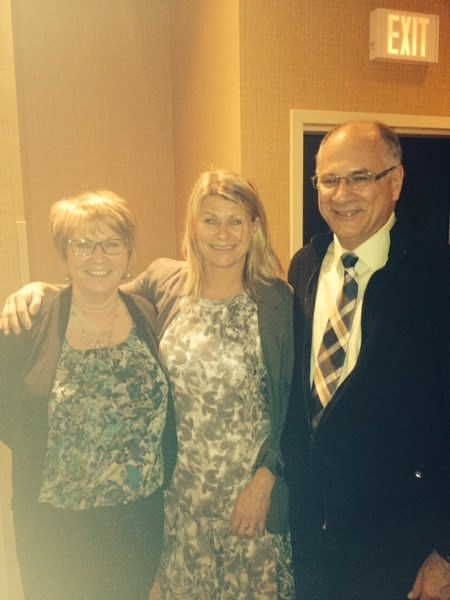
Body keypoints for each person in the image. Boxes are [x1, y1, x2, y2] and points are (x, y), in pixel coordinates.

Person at [0, 170, 295, 599]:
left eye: (236, 220)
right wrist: (38, 289)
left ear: (254, 228)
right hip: (176, 506)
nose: (223, 233)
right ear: (192, 227)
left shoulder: (277, 302)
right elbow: (96, 287)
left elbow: (293, 404)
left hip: (244, 505)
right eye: (209, 219)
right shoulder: (166, 284)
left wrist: (267, 477)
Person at [282, 120, 450, 600]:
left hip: (401, 547)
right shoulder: (304, 266)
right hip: (311, 539)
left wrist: (446, 553)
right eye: (329, 180)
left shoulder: (437, 277)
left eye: (360, 177)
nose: (341, 194)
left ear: (394, 182)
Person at [0, 191, 176, 600]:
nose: (99, 257)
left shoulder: (146, 312)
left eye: (112, 243)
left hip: (135, 521)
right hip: (55, 526)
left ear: (129, 252)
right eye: (83, 244)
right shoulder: (29, 319)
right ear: (65, 253)